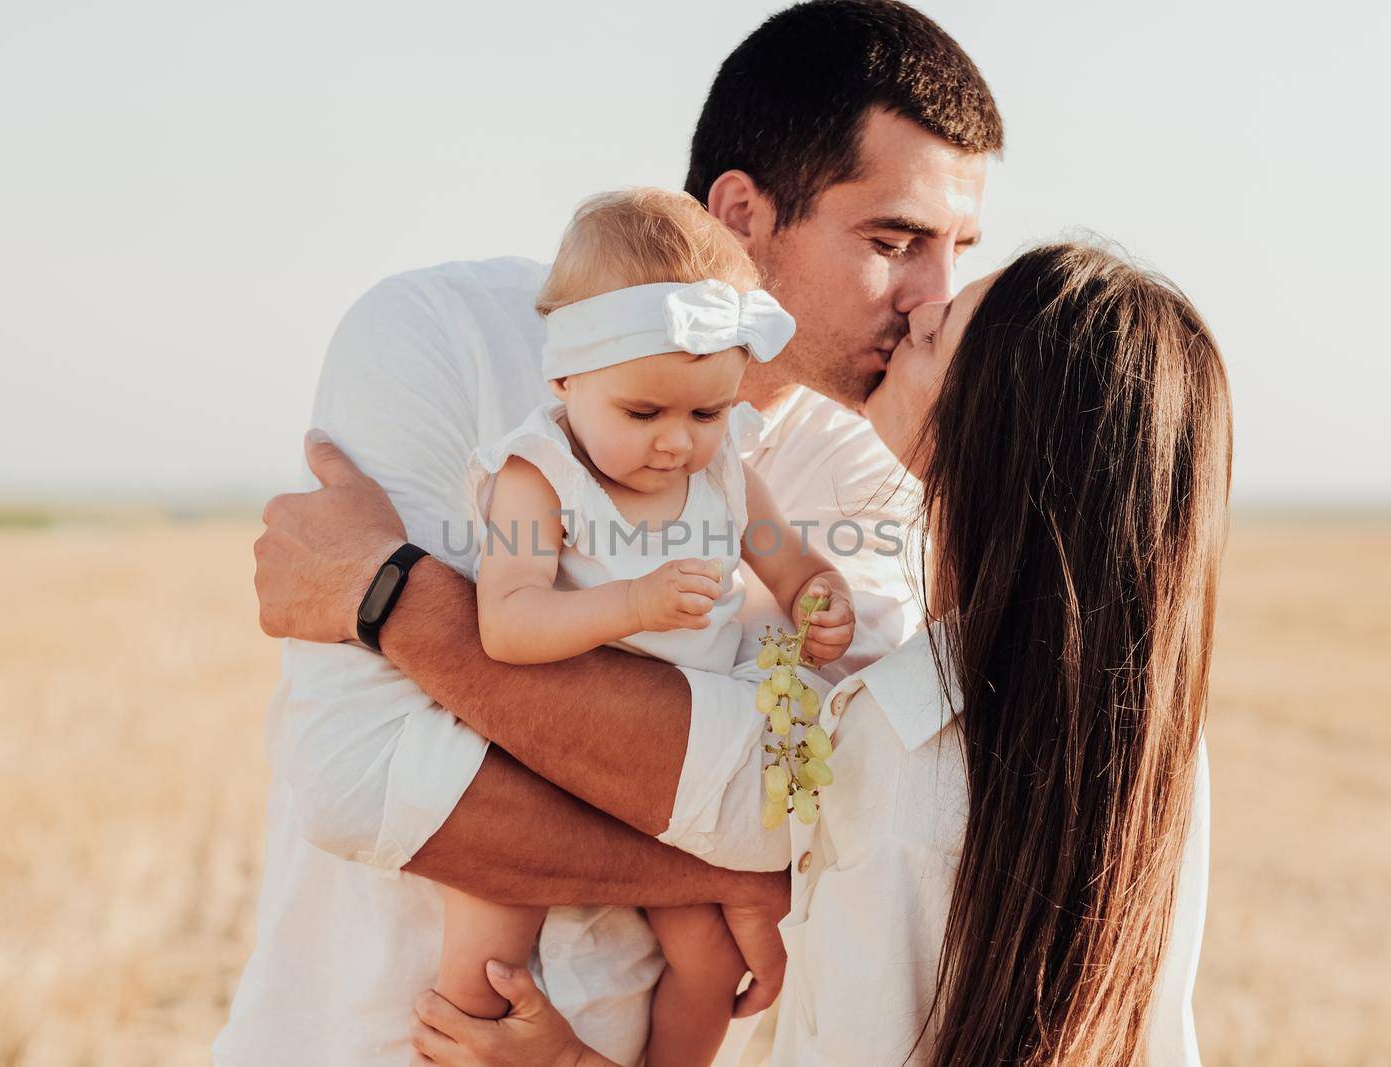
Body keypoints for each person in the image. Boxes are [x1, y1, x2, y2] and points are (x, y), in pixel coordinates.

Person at [220, 3, 1003, 1065]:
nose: (932, 300)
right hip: (358, 1041)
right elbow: (361, 777)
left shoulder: (868, 471)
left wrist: (394, 602)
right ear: (741, 213)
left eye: (957, 250)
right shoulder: (442, 338)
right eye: (893, 241)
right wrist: (718, 870)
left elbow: (801, 807)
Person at [402, 242, 1230, 1066]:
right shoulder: (1162, 748)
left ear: (994, 430)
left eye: (942, 335)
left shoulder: (902, 774)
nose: (923, 305)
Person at [443, 187, 856, 1067]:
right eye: (644, 414)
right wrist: (631, 604)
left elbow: (789, 563)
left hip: (668, 767)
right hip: (550, 761)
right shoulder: (538, 476)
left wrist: (821, 599)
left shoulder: (728, 476)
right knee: (486, 940)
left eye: (706, 413)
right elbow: (506, 624)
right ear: (566, 378)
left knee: (708, 956)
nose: (678, 443)